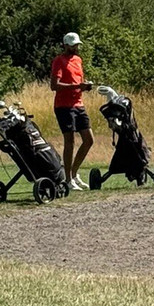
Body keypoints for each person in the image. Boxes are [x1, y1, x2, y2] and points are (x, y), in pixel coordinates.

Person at [51, 32, 94, 191]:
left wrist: (84, 86)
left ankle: (74, 173)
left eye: (77, 45)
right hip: (64, 106)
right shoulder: (59, 61)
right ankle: (68, 179)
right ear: (65, 45)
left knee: (89, 139)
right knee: (70, 142)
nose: (76, 47)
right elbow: (54, 86)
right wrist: (77, 86)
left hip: (78, 104)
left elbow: (77, 81)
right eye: (73, 45)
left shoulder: (78, 60)